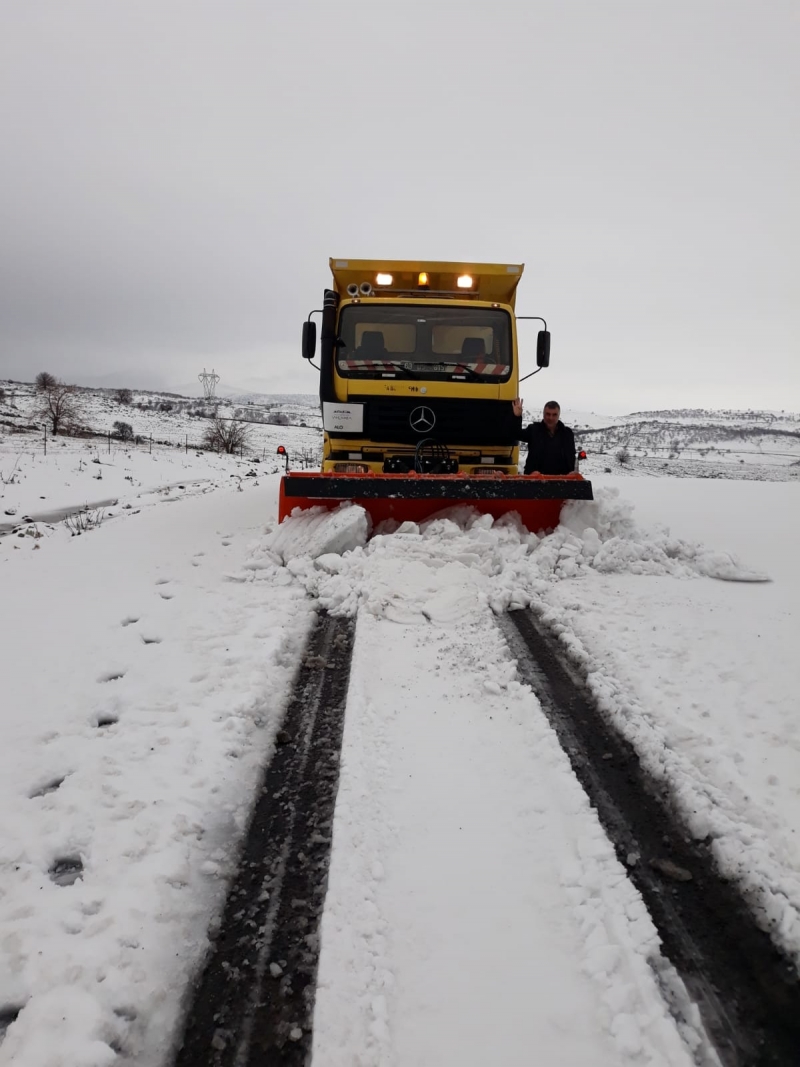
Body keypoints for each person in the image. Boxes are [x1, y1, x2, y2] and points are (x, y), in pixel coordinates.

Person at [510, 399, 576, 475]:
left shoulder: (567, 434)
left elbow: (571, 457)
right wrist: (516, 417)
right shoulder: (534, 430)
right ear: (543, 414)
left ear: (559, 415)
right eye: (548, 414)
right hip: (535, 480)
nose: (551, 418)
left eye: (554, 415)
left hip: (560, 481)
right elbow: (515, 434)